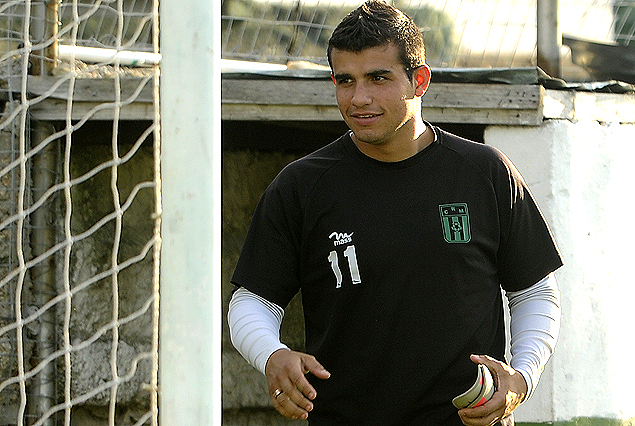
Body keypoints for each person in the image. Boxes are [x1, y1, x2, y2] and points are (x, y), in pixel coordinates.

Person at [228, 1, 563, 425]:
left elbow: (535, 291)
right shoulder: (301, 186)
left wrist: (522, 377)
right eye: (345, 81)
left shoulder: (484, 172)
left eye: (378, 78)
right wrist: (271, 354)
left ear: (419, 80)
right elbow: (253, 300)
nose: (359, 98)